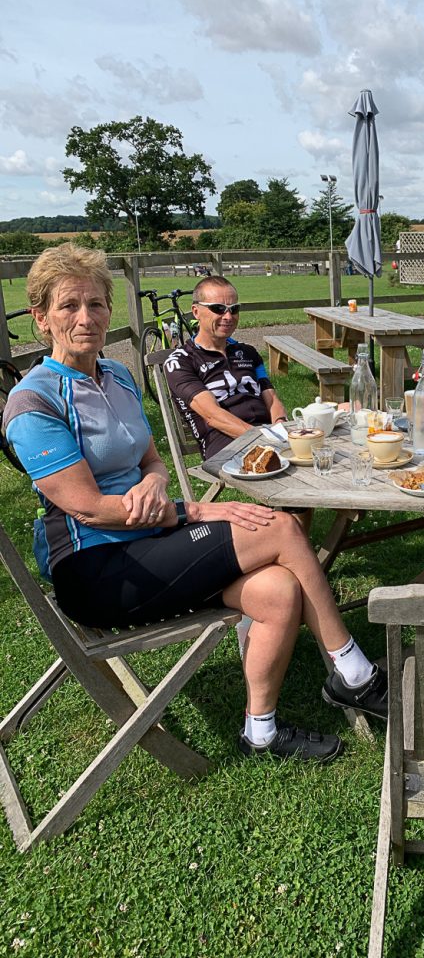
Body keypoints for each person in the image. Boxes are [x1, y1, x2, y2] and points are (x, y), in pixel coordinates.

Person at [2, 244, 387, 764]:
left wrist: (158, 483)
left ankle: (261, 732)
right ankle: (356, 676)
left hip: (147, 539)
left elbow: (152, 460)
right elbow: (91, 508)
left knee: (277, 588)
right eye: (69, 306)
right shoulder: (35, 402)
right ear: (41, 318)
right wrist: (198, 510)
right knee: (279, 528)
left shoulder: (116, 376)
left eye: (96, 304)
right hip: (96, 567)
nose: (85, 318)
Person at [164, 276, 288, 462]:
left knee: (321, 453)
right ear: (196, 312)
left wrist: (281, 426)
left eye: (234, 309)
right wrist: (263, 439)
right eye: (218, 309)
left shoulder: (248, 352)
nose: (228, 317)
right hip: (223, 444)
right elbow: (213, 416)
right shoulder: (180, 361)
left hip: (266, 434)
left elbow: (271, 397)